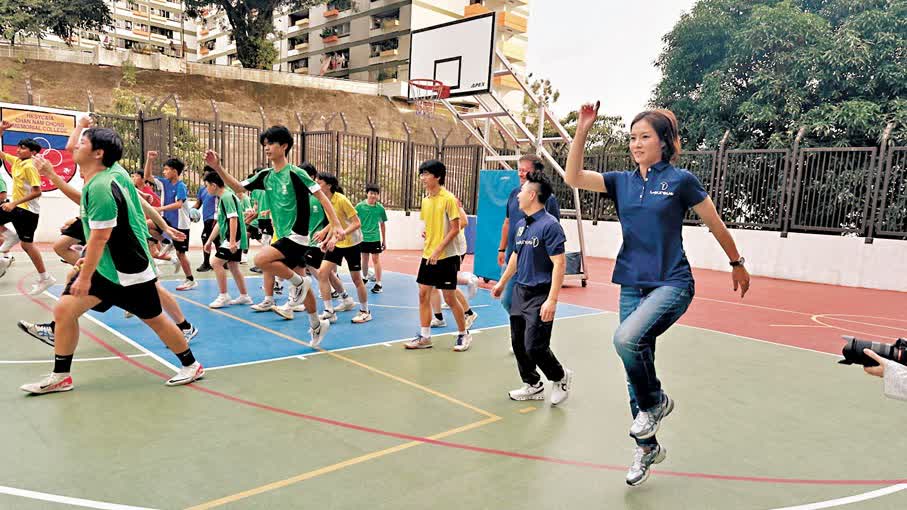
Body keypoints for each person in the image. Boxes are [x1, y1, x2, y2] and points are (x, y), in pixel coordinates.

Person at [565, 102, 751, 486]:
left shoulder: (681, 181)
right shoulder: (621, 181)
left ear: (663, 142)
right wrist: (582, 129)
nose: (636, 144)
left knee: (626, 340)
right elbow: (574, 177)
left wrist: (737, 262)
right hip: (632, 283)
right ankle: (647, 447)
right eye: (632, 138)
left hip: (672, 282)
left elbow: (715, 223)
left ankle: (656, 402)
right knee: (634, 366)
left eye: (644, 137)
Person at [19, 126, 205, 394]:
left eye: (83, 142)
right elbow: (104, 228)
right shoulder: (105, 177)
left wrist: (84, 276)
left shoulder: (103, 186)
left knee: (154, 319)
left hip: (128, 270)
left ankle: (191, 365)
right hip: (107, 268)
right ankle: (61, 376)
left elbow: (100, 237)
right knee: (64, 310)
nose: (76, 146)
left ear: (98, 153)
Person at [205, 125, 343, 346]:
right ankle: (317, 324)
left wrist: (335, 224)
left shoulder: (296, 173)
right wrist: (218, 167)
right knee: (303, 285)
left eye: (271, 143)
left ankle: (299, 283)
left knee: (261, 260)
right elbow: (238, 187)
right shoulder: (266, 176)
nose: (267, 148)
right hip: (282, 236)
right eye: (265, 144)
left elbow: (322, 197)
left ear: (284, 146)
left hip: (297, 235)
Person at [493, 172, 573, 404]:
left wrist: (552, 300)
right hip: (521, 290)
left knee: (535, 346)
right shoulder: (521, 225)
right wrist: (502, 283)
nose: (518, 195)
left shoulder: (551, 226)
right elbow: (516, 256)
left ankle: (560, 376)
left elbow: (559, 263)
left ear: (532, 195)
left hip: (540, 293)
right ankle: (533, 384)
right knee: (518, 342)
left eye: (522, 191)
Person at [404, 160, 471, 352]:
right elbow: (431, 224)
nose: (422, 178)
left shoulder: (449, 199)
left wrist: (438, 249)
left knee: (449, 298)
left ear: (438, 176)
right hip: (428, 254)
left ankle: (463, 334)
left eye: (426, 174)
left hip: (447, 255)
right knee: (423, 294)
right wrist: (428, 234)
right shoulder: (426, 200)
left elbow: (456, 228)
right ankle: (425, 337)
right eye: (421, 174)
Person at [497, 154, 560, 316]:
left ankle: (529, 325)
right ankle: (522, 324)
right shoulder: (515, 194)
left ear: (536, 172)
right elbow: (507, 222)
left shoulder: (547, 199)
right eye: (519, 170)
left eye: (525, 170)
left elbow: (552, 229)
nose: (520, 173)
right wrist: (502, 249)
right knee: (507, 300)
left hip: (533, 262)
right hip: (514, 255)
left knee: (527, 304)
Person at [0, 121, 55, 294]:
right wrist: (1, 130)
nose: (18, 150)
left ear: (33, 153)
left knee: (27, 246)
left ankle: (45, 278)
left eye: (23, 148)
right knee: (25, 244)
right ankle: (10, 239)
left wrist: (13, 203)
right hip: (18, 208)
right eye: (18, 147)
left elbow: (37, 192)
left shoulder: (30, 166)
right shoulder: (17, 161)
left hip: (27, 211)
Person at [314, 173, 371, 324]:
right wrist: (327, 237)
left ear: (329, 185)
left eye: (319, 182)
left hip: (352, 243)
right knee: (322, 273)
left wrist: (340, 235)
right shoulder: (324, 200)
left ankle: (365, 311)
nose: (316, 184)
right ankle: (329, 311)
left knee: (357, 279)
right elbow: (334, 221)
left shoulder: (341, 200)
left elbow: (357, 223)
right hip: (337, 243)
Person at [143, 150, 196, 290]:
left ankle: (190, 279)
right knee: (146, 225)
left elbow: (179, 204)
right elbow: (147, 176)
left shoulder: (181, 186)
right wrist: (149, 159)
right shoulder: (164, 183)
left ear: (174, 171)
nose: (164, 172)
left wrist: (160, 209)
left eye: (166, 169)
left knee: (180, 254)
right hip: (166, 220)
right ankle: (167, 241)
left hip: (181, 224)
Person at [201, 171, 251, 308]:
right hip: (232, 237)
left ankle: (223, 295)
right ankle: (245, 296)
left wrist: (233, 241)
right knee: (233, 266)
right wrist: (209, 241)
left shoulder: (227, 197)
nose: (206, 189)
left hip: (234, 237)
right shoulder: (224, 196)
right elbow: (220, 222)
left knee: (216, 263)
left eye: (206, 185)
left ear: (214, 185)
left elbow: (233, 218)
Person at [355, 184, 388, 294]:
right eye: (371, 193)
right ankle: (364, 277)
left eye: (375, 194)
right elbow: (354, 221)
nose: (373, 195)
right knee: (364, 259)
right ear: (367, 194)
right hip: (363, 238)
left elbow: (382, 225)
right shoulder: (359, 207)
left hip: (375, 238)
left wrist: (384, 240)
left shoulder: (380, 208)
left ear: (378, 195)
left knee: (375, 260)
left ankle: (379, 283)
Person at [195, 178, 219, 272]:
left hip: (213, 218)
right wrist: (192, 210)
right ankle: (223, 261)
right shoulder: (202, 189)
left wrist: (218, 217)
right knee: (217, 240)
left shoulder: (216, 188)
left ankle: (206, 263)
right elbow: (198, 203)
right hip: (205, 219)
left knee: (205, 238)